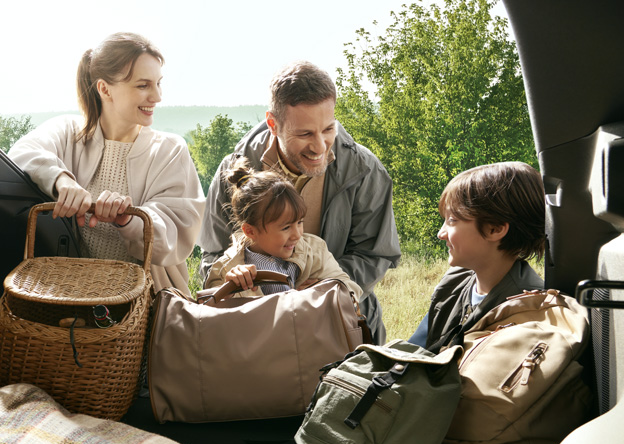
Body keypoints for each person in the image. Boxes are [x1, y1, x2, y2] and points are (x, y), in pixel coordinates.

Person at [197, 61, 399, 343]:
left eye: (329, 129)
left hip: (339, 323)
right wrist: (246, 286)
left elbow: (375, 253)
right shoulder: (234, 170)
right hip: (254, 331)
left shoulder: (364, 170)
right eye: (305, 134)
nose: (319, 147)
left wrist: (322, 289)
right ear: (273, 124)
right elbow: (213, 254)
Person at [8, 32, 204, 292]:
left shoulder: (169, 150)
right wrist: (62, 180)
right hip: (70, 296)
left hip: (147, 304)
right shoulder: (68, 132)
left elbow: (178, 232)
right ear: (104, 89)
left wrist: (129, 219)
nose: (157, 96)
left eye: (158, 83)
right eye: (143, 85)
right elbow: (22, 153)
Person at [409, 161, 546, 352]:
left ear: (494, 229)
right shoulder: (454, 282)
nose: (441, 233)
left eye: (452, 220)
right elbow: (415, 350)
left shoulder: (530, 310)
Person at [202, 158, 362, 300]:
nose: (297, 235)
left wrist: (323, 290)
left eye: (299, 222)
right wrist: (229, 289)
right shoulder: (228, 267)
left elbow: (351, 290)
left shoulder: (313, 251)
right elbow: (209, 310)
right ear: (250, 231)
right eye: (286, 227)